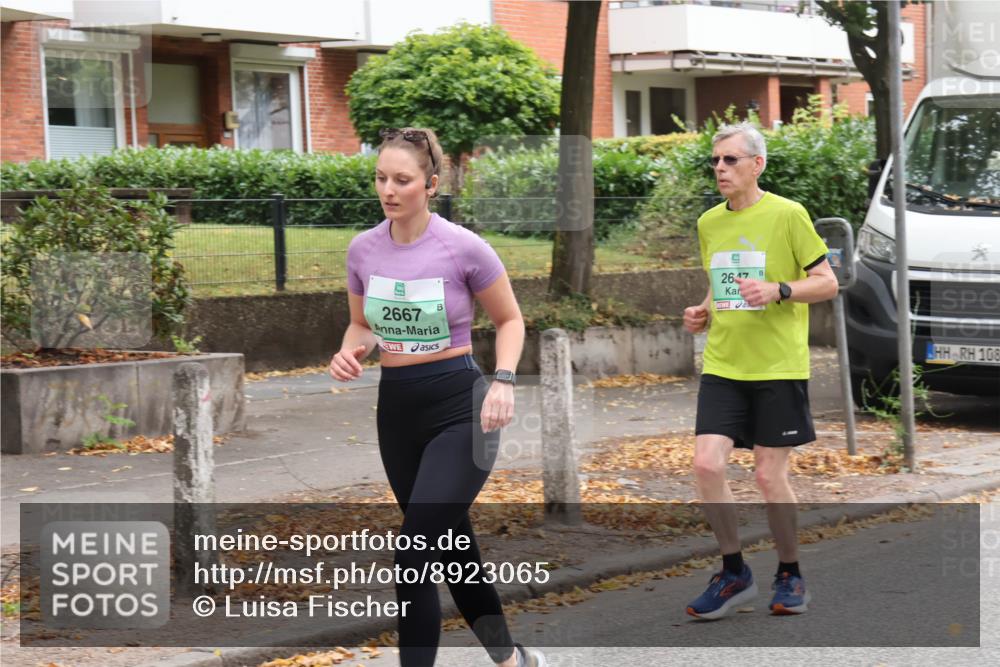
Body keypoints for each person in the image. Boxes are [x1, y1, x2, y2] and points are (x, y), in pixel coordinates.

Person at [329, 127, 546, 667]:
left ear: (430, 184)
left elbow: (511, 319)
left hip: (461, 412)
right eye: (381, 177)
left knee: (413, 554)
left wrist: (504, 380)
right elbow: (362, 325)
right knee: (453, 550)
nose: (388, 189)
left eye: (402, 180)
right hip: (398, 413)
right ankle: (512, 660)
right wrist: (350, 352)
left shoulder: (462, 246)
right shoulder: (362, 249)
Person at [682, 121, 839, 620]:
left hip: (777, 366)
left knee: (769, 477)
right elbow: (720, 282)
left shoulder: (788, 215)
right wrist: (703, 310)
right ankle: (734, 572)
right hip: (724, 364)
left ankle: (790, 573)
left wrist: (780, 290)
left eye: (730, 159)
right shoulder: (709, 222)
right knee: (706, 466)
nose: (720, 168)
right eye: (715, 160)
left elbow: (827, 282)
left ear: (757, 164)